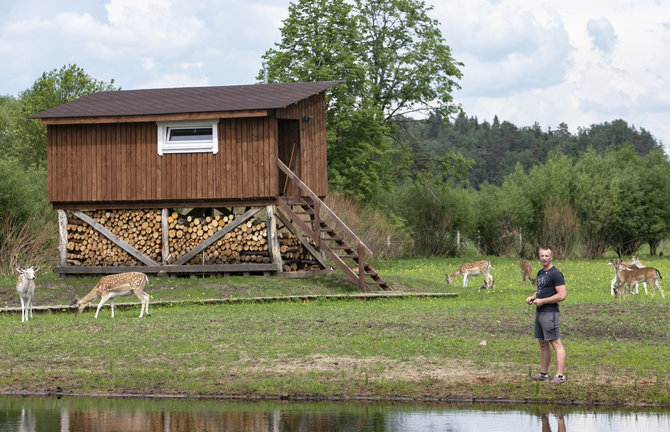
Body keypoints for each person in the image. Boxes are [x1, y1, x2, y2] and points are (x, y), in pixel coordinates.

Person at [525, 246, 567, 385]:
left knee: (555, 342)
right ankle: (544, 374)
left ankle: (560, 376)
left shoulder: (556, 274)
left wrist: (543, 301)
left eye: (546, 256)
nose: (544, 258)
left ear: (551, 257)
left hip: (550, 312)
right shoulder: (540, 273)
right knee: (542, 343)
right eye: (541, 256)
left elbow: (562, 295)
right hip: (540, 312)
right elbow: (541, 291)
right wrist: (533, 297)